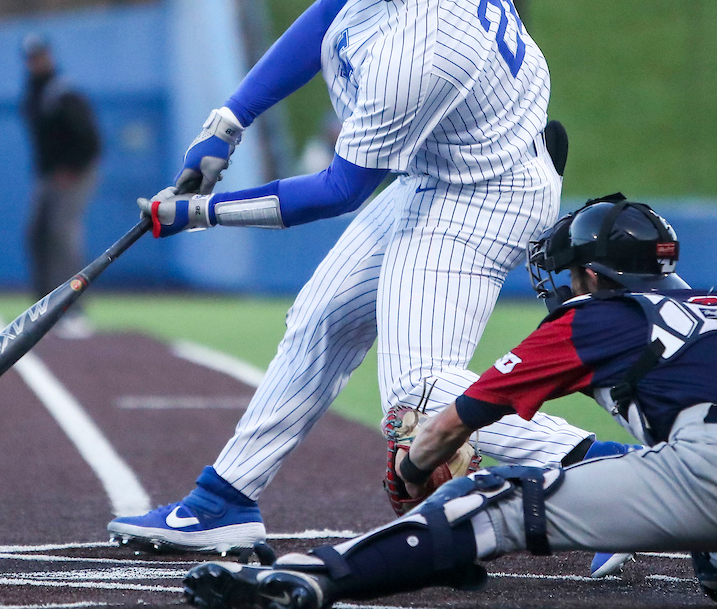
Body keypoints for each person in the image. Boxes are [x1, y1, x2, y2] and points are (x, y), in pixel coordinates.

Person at [110, 0, 604, 559]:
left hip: (483, 197)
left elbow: (338, 189)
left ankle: (621, 476)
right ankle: (223, 501)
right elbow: (325, 15)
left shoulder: (424, 50)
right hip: (447, 170)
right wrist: (229, 120)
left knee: (423, 396)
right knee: (319, 318)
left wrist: (199, 214)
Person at [182, 195, 717, 608]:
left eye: (573, 273)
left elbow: (452, 424)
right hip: (695, 461)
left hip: (706, 468)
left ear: (593, 275)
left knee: (492, 502)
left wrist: (412, 468)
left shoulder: (596, 319)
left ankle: (312, 577)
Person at [20, 33, 102, 339]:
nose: (36, 62)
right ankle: (43, 309)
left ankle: (73, 309)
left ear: (49, 56)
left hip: (74, 173)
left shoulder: (63, 92)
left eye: (40, 56)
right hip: (49, 176)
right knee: (37, 234)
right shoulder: (34, 92)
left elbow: (91, 140)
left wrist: (72, 168)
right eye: (31, 57)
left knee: (63, 235)